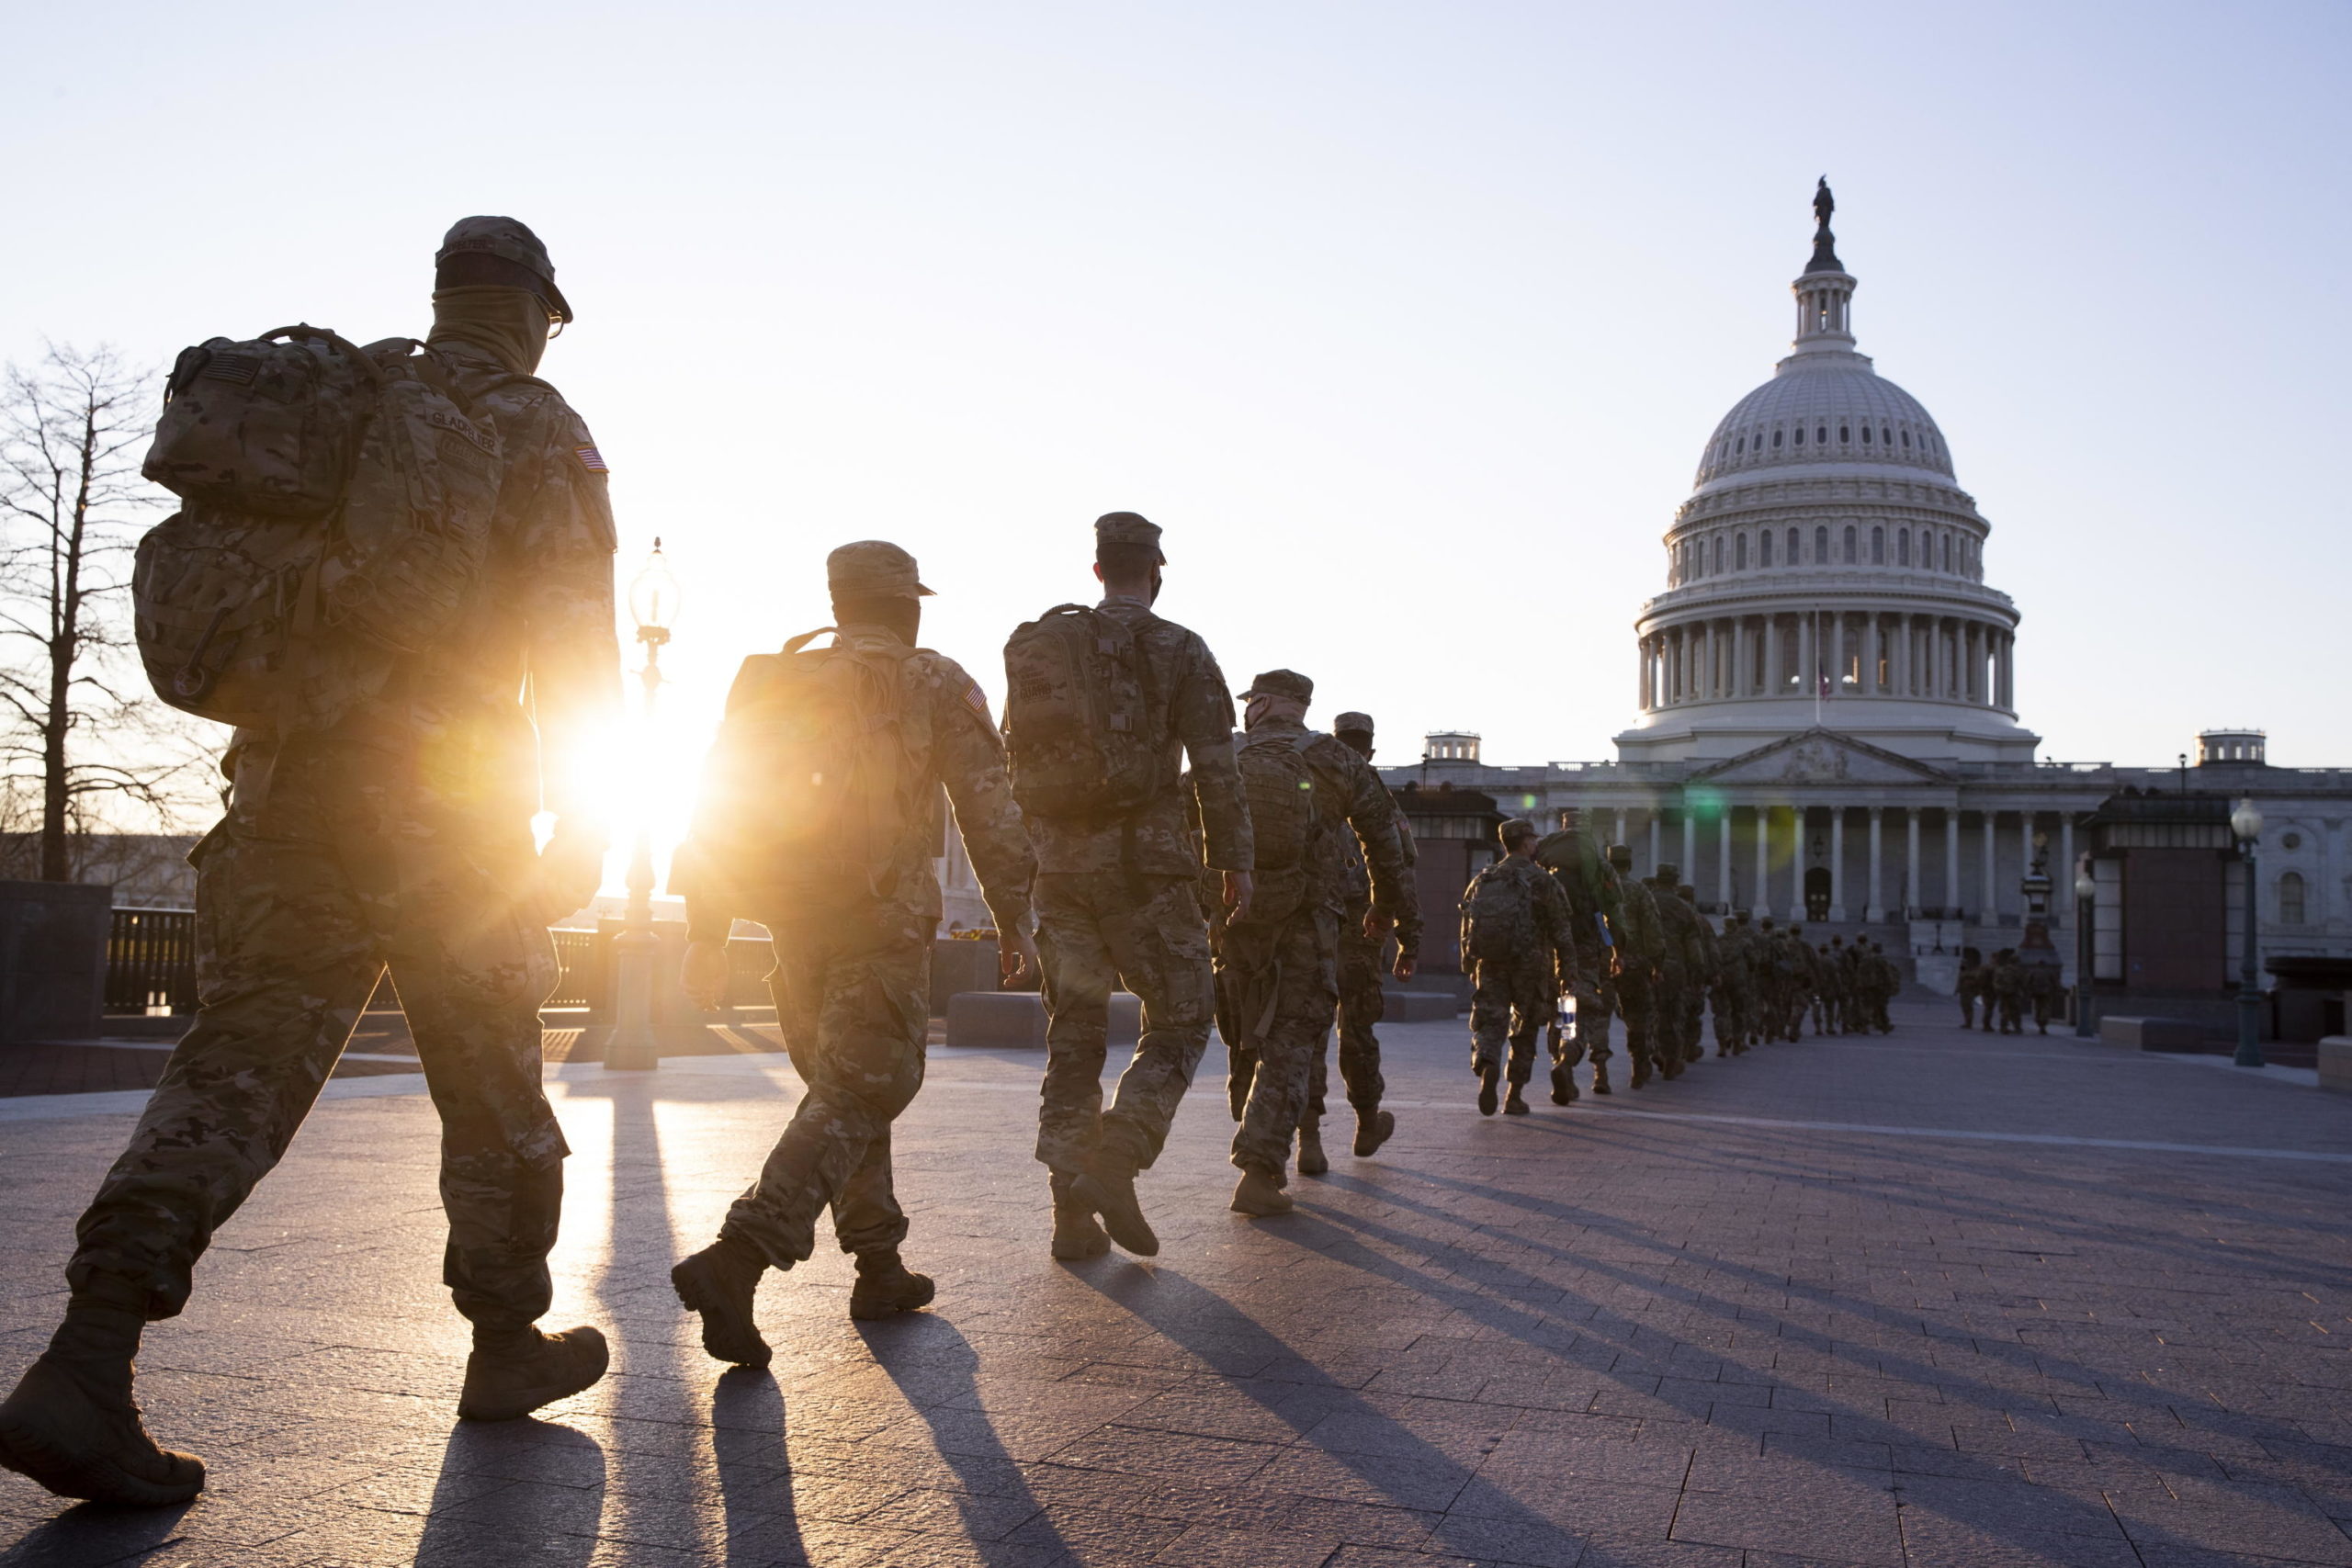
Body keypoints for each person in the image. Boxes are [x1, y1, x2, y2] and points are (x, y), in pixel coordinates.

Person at [0, 217, 620, 1507]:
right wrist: (590, 811)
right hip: (449, 810)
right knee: (498, 1093)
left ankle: (88, 1352)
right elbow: (571, 631)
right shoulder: (530, 421)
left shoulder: (353, 393)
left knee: (234, 1068)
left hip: (284, 800)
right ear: (535, 312)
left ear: (443, 295)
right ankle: (505, 1342)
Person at [666, 541, 1040, 1369]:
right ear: (907, 604)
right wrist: (1015, 915)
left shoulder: (778, 678)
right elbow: (989, 804)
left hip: (791, 916)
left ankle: (878, 1264)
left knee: (844, 1088)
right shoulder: (931, 679)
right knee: (870, 1081)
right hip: (881, 917)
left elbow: (715, 800)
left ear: (838, 604)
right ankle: (740, 1254)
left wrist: (706, 927)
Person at [1012, 513, 1253, 1259]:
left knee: (1075, 1038)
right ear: (1155, 571)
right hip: (1145, 870)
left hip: (1059, 871)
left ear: (1096, 571)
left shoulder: (1044, 647)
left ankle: (1071, 1216)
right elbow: (1215, 763)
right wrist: (1233, 859)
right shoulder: (1178, 647)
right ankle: (1116, 1163)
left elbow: (1015, 753)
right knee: (1183, 1017)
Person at [1216, 674, 1414, 1212]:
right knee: (1294, 1037)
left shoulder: (1223, 752)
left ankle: (1251, 1106)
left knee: (1245, 1024)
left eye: (1253, 700)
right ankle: (1260, 1168)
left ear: (1264, 703)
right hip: (1307, 918)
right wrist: (1385, 908)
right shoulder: (1337, 759)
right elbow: (1385, 844)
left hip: (1235, 914)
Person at [1294, 711, 1420, 1171]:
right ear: (1370, 751)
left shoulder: (1309, 791)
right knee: (1358, 1032)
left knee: (1310, 1032)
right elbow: (1398, 874)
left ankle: (1309, 1140)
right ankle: (1366, 1122)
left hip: (1312, 925)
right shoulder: (1379, 800)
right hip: (1364, 933)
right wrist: (1409, 939)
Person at [1460, 819, 1583, 1114]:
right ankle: (1513, 1095)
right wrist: (1568, 972)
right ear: (1526, 843)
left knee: (1490, 1021)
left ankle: (1487, 1064)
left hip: (1490, 963)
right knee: (1525, 1028)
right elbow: (1561, 932)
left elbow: (1468, 922)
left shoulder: (1484, 878)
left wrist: (1469, 960)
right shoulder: (1543, 880)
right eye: (1533, 839)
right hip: (1531, 966)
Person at [1532, 818, 1621, 1102]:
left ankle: (1559, 1060)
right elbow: (1613, 911)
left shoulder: (1544, 865)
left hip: (1548, 950)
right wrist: (1617, 949)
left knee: (1556, 1010)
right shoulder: (1598, 865)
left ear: (1562, 826)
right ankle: (1567, 1060)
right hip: (1583, 950)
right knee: (1576, 1011)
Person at [1604, 844, 1667, 1089]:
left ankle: (1593, 1068)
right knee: (1636, 1017)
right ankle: (1638, 1066)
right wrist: (1657, 964)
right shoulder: (1639, 891)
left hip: (1602, 962)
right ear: (1629, 864)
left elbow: (1596, 921)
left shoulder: (1599, 889)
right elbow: (1653, 930)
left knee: (1596, 1018)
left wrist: (1607, 947)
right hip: (1633, 963)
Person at [1648, 868, 1707, 1076]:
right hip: (1673, 968)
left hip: (1644, 966)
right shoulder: (1684, 908)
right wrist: (1698, 974)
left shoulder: (1645, 899)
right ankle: (1670, 1058)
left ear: (1657, 880)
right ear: (1675, 883)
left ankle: (1647, 1052)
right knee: (1672, 1015)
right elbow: (1694, 947)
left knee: (1647, 1013)